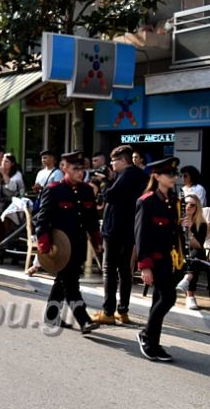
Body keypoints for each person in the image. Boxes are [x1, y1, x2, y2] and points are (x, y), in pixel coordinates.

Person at [35, 151, 102, 334]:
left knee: (63, 281)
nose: (80, 172)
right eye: (75, 169)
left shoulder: (87, 190)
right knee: (71, 283)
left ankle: (51, 316)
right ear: (64, 168)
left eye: (82, 169)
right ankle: (84, 320)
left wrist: (97, 241)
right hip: (59, 247)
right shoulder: (54, 189)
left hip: (78, 246)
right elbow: (43, 220)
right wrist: (44, 245)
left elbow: (92, 220)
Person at [92, 145, 148, 325]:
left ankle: (108, 311)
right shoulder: (140, 175)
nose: (111, 164)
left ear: (123, 161)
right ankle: (122, 310)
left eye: (114, 161)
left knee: (110, 268)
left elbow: (110, 196)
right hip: (131, 228)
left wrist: (106, 182)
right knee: (125, 270)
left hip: (115, 228)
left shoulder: (126, 175)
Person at [135, 157, 182, 362]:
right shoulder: (147, 201)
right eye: (169, 174)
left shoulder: (174, 201)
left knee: (159, 299)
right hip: (155, 259)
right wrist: (144, 266)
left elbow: (174, 233)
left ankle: (153, 341)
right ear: (156, 176)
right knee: (168, 298)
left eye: (174, 174)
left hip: (172, 260)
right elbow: (141, 235)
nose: (173, 177)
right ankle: (146, 334)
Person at [27, 149, 63, 275]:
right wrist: (37, 189)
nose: (44, 160)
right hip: (40, 204)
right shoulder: (40, 172)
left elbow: (56, 190)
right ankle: (38, 263)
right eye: (42, 158)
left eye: (46, 157)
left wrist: (42, 188)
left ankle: (39, 264)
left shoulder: (58, 173)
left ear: (54, 159)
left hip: (51, 206)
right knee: (39, 232)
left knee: (47, 233)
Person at [0, 152, 25, 264]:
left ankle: (10, 255)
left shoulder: (16, 175)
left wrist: (4, 174)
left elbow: (12, 187)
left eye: (7, 161)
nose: (4, 163)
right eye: (3, 160)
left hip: (13, 207)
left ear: (12, 164)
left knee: (10, 232)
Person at [175, 193, 208, 310]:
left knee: (196, 254)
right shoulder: (175, 220)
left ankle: (188, 286)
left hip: (194, 253)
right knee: (193, 257)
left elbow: (198, 245)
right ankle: (190, 295)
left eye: (192, 205)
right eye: (186, 203)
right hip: (177, 253)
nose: (188, 206)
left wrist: (189, 232)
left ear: (197, 208)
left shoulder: (202, 224)